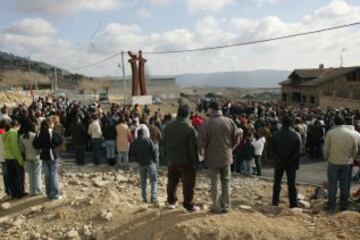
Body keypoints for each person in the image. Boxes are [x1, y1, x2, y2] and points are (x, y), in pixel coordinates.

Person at [198, 101, 240, 214]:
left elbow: (201, 145)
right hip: (226, 157)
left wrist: (202, 155)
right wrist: (231, 149)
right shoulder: (230, 121)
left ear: (211, 110)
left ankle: (216, 206)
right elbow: (237, 138)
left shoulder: (206, 124)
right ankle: (226, 206)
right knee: (226, 181)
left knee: (215, 182)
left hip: (212, 159)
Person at [163, 105, 200, 212]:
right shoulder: (189, 129)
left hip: (171, 159)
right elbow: (192, 149)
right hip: (185, 161)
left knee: (172, 181)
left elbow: (164, 143)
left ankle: (171, 202)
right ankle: (189, 205)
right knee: (188, 184)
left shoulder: (168, 126)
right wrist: (196, 163)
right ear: (188, 115)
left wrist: (167, 156)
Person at [323, 116, 358, 212]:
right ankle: (343, 206)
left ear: (334, 123)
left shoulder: (330, 133)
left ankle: (332, 206)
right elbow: (355, 149)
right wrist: (351, 157)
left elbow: (326, 148)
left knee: (332, 185)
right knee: (344, 185)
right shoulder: (351, 134)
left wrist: (326, 157)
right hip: (346, 163)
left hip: (333, 162)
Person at [269, 116, 301, 208]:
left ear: (282, 123)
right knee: (291, 184)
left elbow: (271, 150)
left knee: (277, 183)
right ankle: (293, 203)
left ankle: (275, 202)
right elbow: (297, 152)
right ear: (291, 124)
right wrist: (293, 162)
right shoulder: (295, 135)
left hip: (279, 163)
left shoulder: (275, 134)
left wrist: (278, 160)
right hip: (291, 164)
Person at [34, 119, 63, 200]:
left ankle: (49, 193)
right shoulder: (51, 132)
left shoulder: (39, 133)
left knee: (47, 175)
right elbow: (60, 140)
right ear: (49, 124)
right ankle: (55, 195)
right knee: (53, 174)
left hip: (44, 156)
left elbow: (35, 144)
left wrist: (42, 147)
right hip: (53, 155)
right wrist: (54, 146)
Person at [129, 129, 158, 203]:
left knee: (143, 181)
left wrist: (138, 161)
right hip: (150, 163)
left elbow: (132, 154)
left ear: (137, 134)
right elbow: (154, 151)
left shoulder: (134, 142)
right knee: (154, 180)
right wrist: (155, 160)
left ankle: (144, 198)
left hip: (141, 164)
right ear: (144, 133)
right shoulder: (148, 140)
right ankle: (153, 197)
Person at [2, 120, 25, 199]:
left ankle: (13, 194)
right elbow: (15, 148)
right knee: (18, 177)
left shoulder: (5, 133)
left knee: (11, 177)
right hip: (14, 158)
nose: (19, 129)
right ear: (16, 126)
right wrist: (21, 160)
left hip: (7, 158)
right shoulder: (13, 133)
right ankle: (19, 194)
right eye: (19, 127)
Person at [20, 123, 42, 195]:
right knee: (37, 174)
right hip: (36, 156)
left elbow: (22, 149)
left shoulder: (21, 137)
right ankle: (37, 190)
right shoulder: (34, 135)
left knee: (31, 174)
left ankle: (31, 191)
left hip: (28, 156)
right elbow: (38, 146)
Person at [0, 120, 10, 199]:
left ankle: (8, 191)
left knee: (5, 175)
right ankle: (10, 191)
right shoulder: (5, 134)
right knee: (8, 175)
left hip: (2, 157)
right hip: (7, 156)